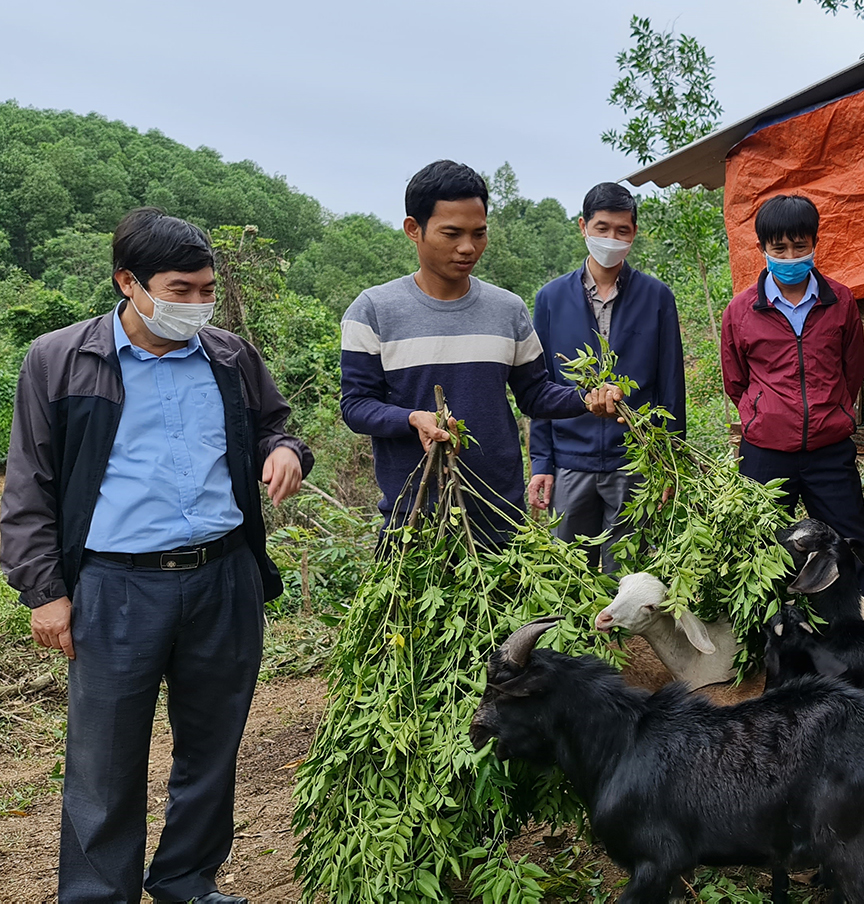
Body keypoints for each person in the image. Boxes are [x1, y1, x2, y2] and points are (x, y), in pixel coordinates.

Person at [1, 208, 312, 904]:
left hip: (222, 577)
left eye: (207, 290)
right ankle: (97, 894)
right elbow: (28, 485)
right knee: (103, 763)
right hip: (115, 586)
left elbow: (274, 426)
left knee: (211, 748)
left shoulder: (230, 356)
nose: (198, 305)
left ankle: (185, 882)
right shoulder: (60, 359)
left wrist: (286, 452)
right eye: (181, 290)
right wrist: (44, 591)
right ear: (129, 283)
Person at [340, 160, 620, 544]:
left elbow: (534, 393)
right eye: (451, 233)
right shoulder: (373, 311)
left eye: (479, 233)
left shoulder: (507, 309)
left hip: (500, 515)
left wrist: (585, 398)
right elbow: (356, 405)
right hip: (414, 519)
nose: (468, 247)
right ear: (413, 229)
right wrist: (411, 419)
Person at [720, 194, 864, 629]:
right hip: (765, 453)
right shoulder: (740, 311)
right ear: (763, 249)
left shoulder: (839, 302)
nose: (790, 257)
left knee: (857, 545)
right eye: (779, 249)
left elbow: (851, 369)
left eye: (799, 247)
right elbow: (737, 381)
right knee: (761, 551)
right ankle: (761, 642)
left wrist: (832, 411)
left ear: (814, 244)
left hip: (829, 451)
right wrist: (764, 416)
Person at [527, 183, 685, 571]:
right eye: (602, 228)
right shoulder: (550, 298)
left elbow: (671, 386)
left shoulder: (657, 297)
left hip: (633, 462)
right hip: (570, 462)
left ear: (633, 234)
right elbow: (541, 387)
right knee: (570, 579)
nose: (611, 239)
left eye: (622, 231)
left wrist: (670, 464)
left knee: (628, 581)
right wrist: (542, 462)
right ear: (583, 227)